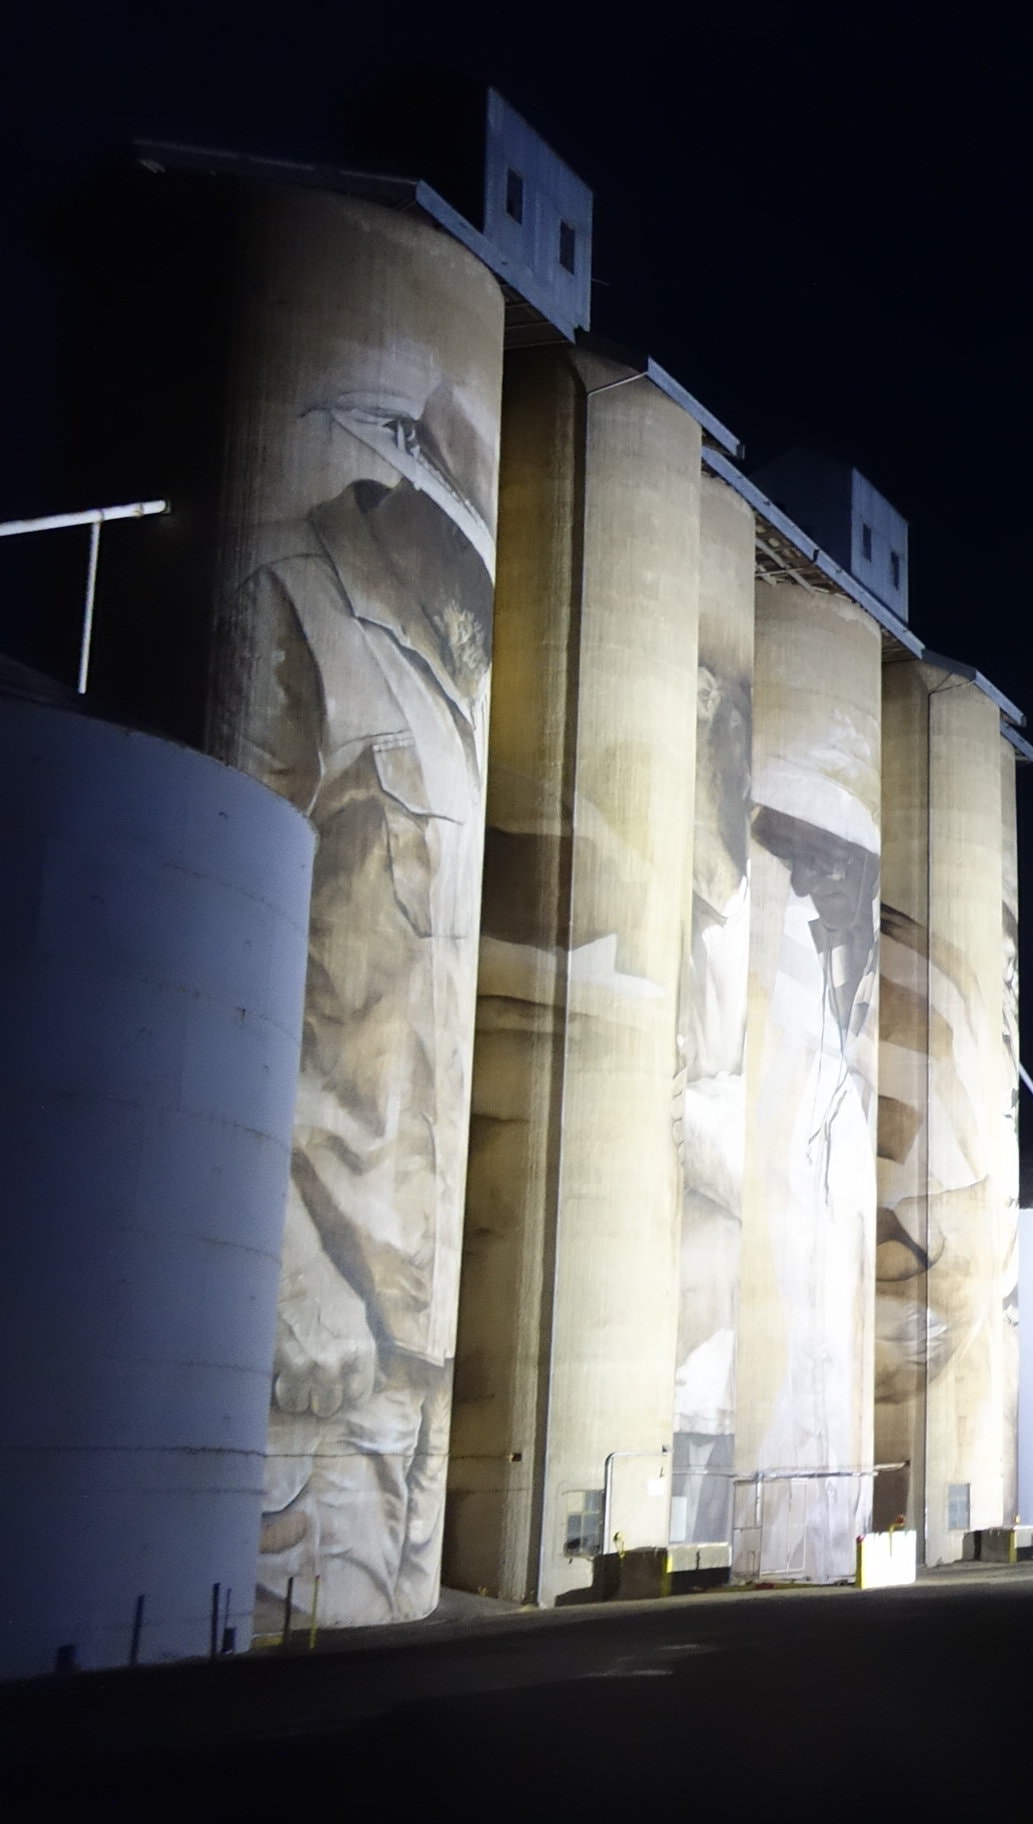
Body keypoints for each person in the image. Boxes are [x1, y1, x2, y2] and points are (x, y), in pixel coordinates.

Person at [238, 382, 495, 1627]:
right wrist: (283, 1273)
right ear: (416, 512)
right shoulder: (297, 616)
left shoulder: (452, 693)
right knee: (265, 1700)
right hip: (311, 1353)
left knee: (390, 1688)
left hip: (415, 1357)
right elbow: (209, 960)